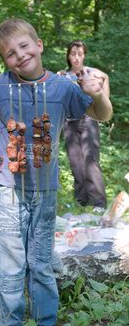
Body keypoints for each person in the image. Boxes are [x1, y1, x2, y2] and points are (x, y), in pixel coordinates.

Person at [0, 19, 112, 326]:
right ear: (3, 60)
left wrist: (98, 94)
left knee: (41, 264)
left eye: (24, 46)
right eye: (9, 53)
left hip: (44, 190)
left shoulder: (64, 88)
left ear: (40, 45)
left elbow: (102, 114)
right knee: (10, 267)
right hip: (6, 189)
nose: (19, 55)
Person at [58, 40, 110, 212]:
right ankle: (81, 201)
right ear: (68, 55)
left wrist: (103, 99)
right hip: (69, 122)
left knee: (90, 161)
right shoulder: (62, 75)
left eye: (80, 54)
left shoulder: (90, 73)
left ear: (84, 55)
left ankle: (98, 204)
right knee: (76, 162)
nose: (77, 57)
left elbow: (105, 77)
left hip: (88, 119)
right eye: (73, 54)